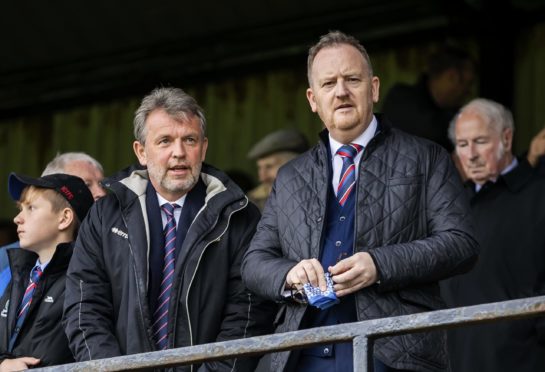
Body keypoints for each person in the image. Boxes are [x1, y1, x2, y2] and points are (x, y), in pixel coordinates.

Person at [241, 30, 478, 372]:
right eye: (328, 84)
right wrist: (290, 273)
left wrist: (380, 265)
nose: (341, 92)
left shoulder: (426, 158)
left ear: (374, 88)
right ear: (312, 99)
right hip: (301, 355)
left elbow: (462, 243)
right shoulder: (291, 176)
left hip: (393, 353)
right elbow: (254, 263)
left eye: (352, 79)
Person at [63, 87, 273, 371]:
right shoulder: (104, 217)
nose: (179, 153)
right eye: (164, 141)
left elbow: (248, 316)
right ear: (141, 152)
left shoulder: (238, 215)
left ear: (204, 147)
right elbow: (84, 310)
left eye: (190, 139)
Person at [440, 98, 545, 372]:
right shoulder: (450, 208)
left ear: (506, 139)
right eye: (462, 145)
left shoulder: (538, 195)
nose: (471, 154)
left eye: (480, 142)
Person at [0, 173, 94, 371]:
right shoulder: (21, 274)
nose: (17, 218)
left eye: (31, 208)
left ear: (64, 218)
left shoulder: (84, 280)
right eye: (20, 209)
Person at [0, 152, 105, 298]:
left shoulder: (92, 270)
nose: (101, 192)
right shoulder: (7, 262)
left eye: (101, 184)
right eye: (86, 185)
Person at [382, 45, 475, 152]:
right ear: (451, 76)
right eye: (468, 84)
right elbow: (432, 132)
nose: (468, 92)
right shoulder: (400, 99)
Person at [247, 129, 309, 210]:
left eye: (269, 166)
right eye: (259, 168)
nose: (262, 177)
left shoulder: (322, 196)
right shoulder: (251, 204)